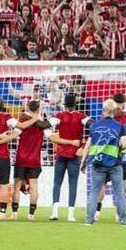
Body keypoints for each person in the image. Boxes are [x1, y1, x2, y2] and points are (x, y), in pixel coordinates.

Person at [84, 99, 126, 225]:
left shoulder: (94, 125)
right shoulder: (119, 126)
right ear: (114, 111)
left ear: (103, 110)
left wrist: (83, 162)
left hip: (98, 163)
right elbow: (125, 144)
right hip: (115, 163)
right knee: (119, 192)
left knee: (94, 191)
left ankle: (89, 219)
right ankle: (122, 220)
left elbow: (88, 145)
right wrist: (119, 146)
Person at [49, 92, 86, 221]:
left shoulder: (59, 116)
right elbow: (93, 125)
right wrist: (82, 145)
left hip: (61, 154)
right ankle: (71, 214)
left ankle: (54, 212)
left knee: (57, 182)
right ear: (75, 104)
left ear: (64, 104)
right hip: (74, 155)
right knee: (73, 183)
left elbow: (47, 126)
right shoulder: (82, 117)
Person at [13, 99, 52, 221]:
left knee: (17, 186)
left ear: (28, 107)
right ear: (39, 109)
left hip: (21, 157)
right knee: (34, 186)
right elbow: (50, 136)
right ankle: (31, 214)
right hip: (34, 159)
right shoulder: (41, 122)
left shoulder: (23, 119)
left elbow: (15, 134)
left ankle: (14, 213)